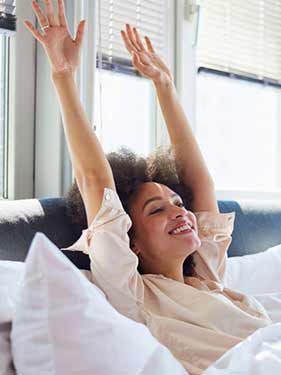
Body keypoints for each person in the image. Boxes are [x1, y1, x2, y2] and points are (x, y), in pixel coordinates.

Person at [24, 1, 273, 374]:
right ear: (131, 241)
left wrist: (165, 85)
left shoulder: (205, 278)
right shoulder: (134, 294)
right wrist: (63, 75)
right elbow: (95, 179)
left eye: (176, 202)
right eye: (156, 210)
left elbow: (199, 183)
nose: (179, 211)